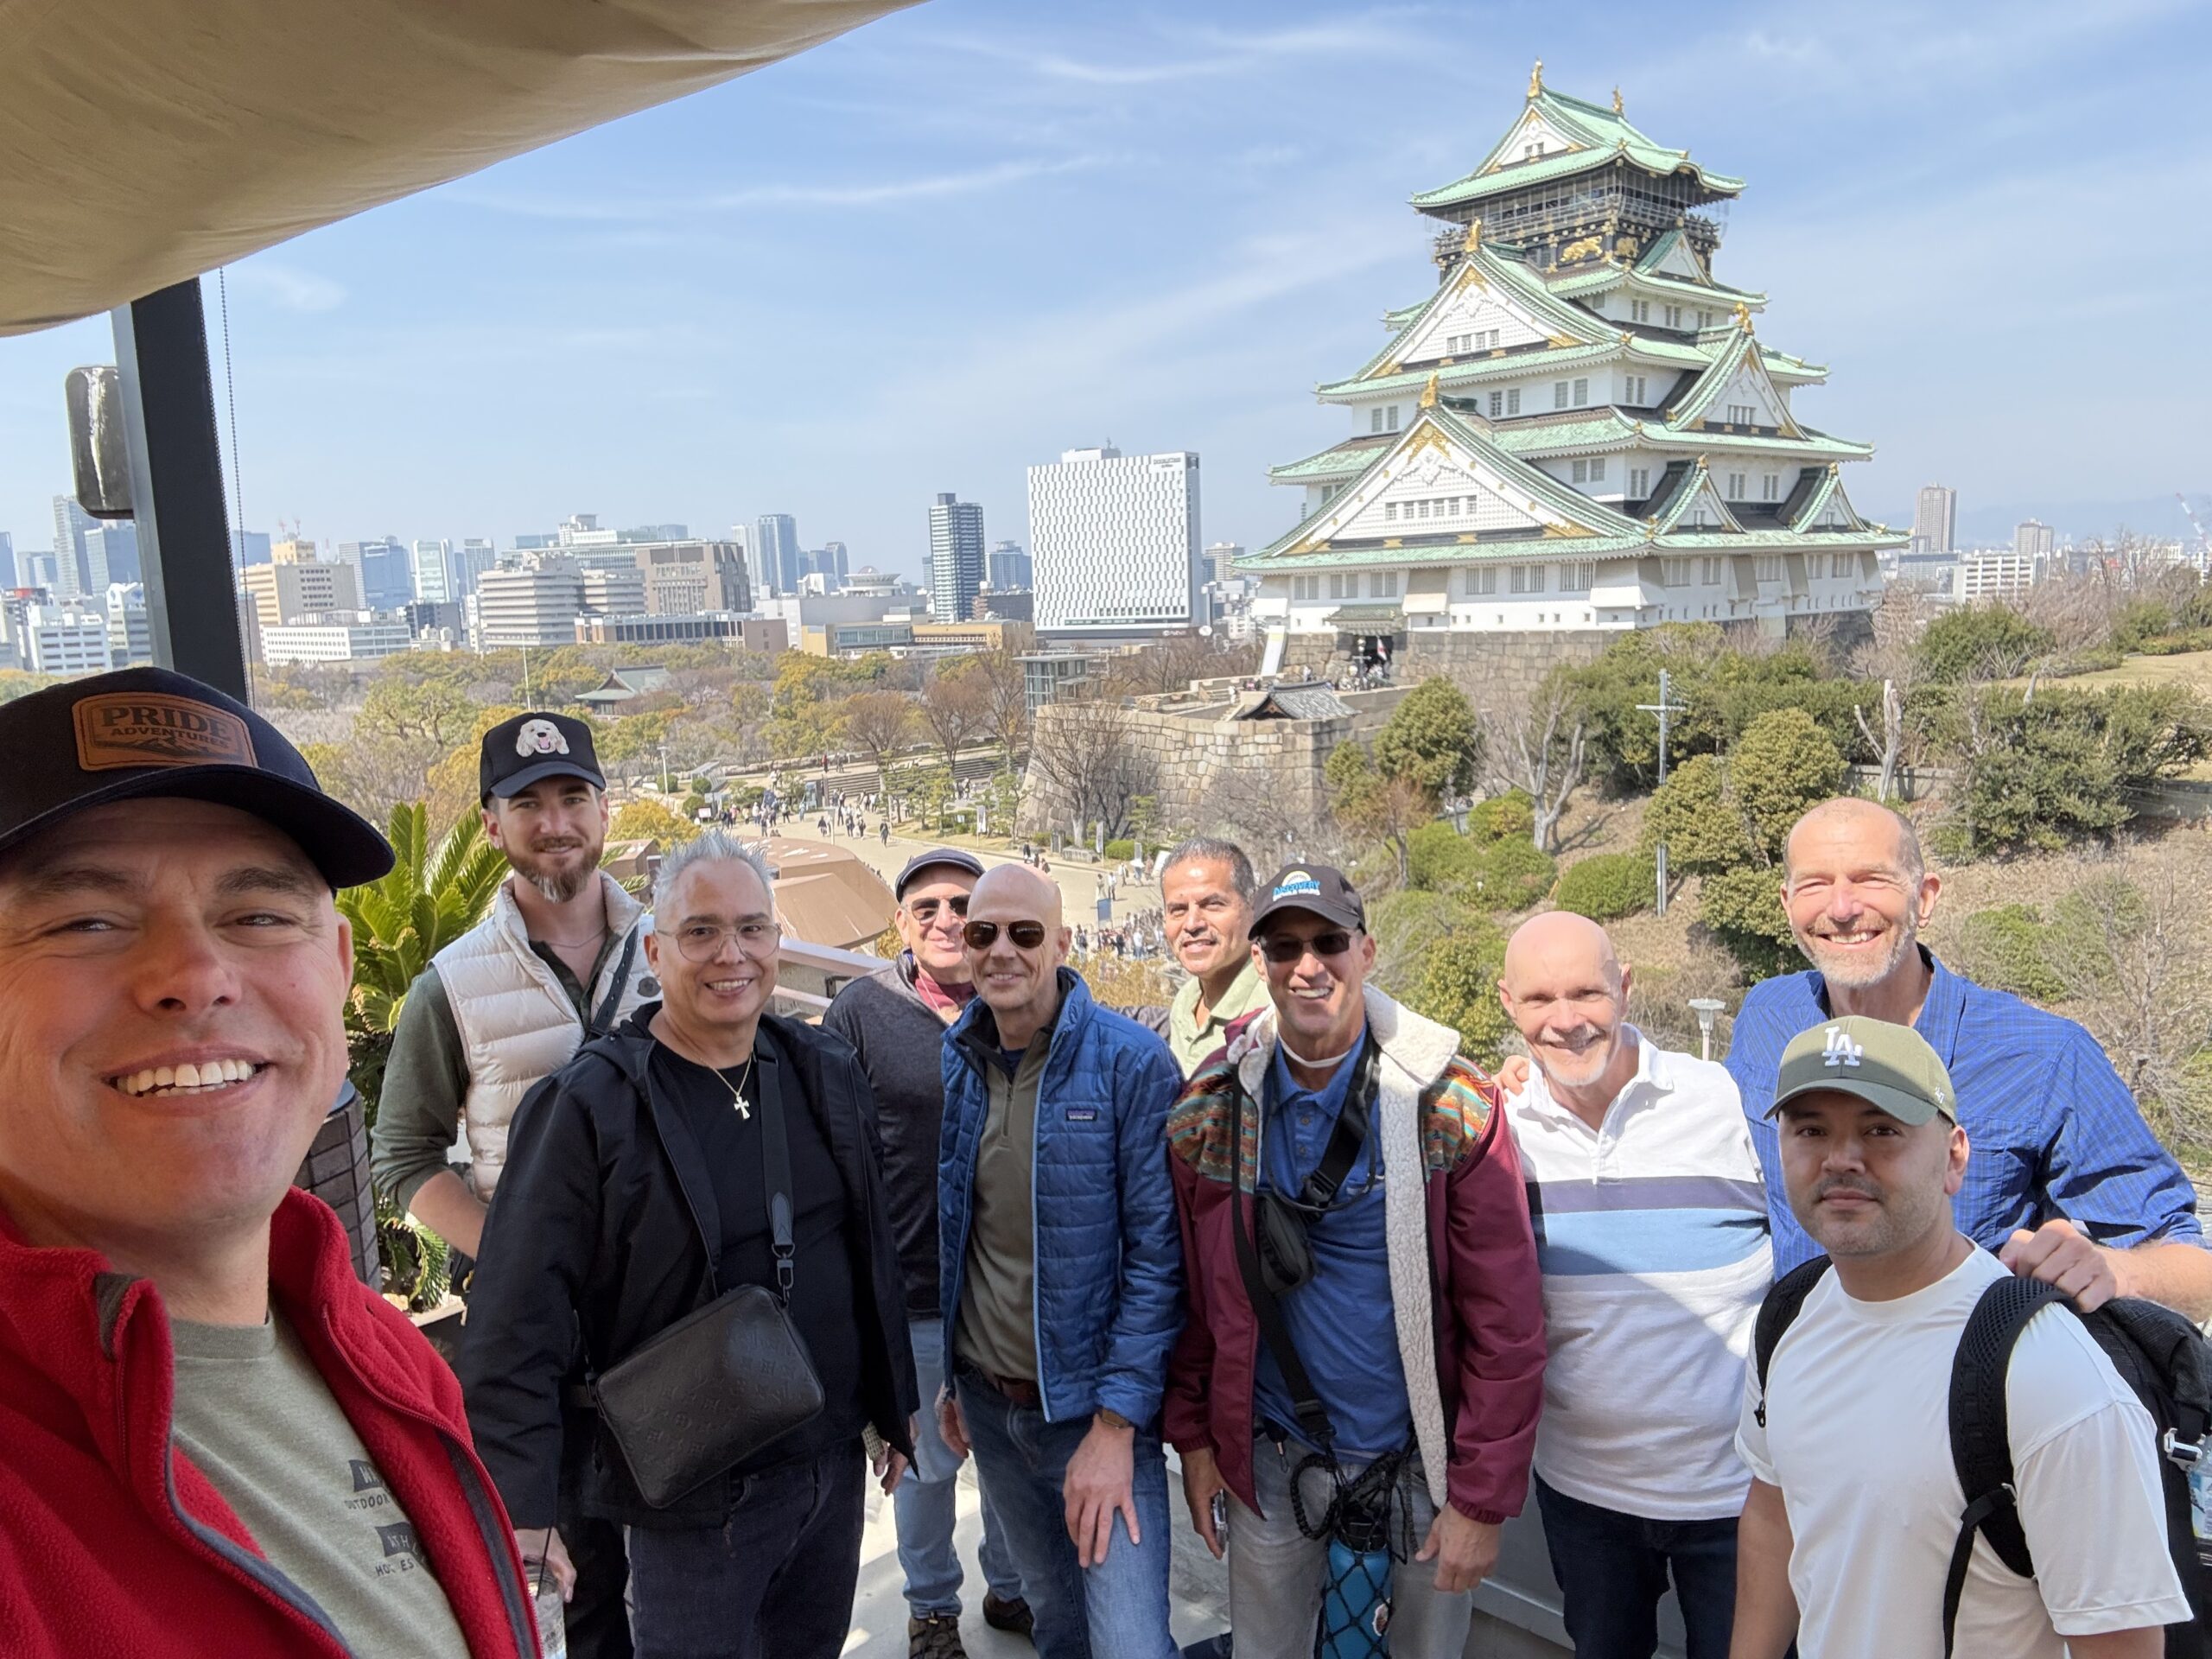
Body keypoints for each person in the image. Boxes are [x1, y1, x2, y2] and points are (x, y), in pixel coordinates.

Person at [0, 667, 537, 1656]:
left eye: (257, 916)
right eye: (84, 921)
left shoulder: (386, 1361)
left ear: (336, 969)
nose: (196, 977)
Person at [461, 835, 917, 1659]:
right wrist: (522, 1508)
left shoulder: (821, 1066)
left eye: (751, 929)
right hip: (691, 1490)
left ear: (777, 940)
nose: (730, 955)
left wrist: (893, 1406)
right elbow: (512, 1315)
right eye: (701, 931)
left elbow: (866, 1250)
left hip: (827, 1461)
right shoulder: (587, 1107)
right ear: (654, 947)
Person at [1165, 863, 1546, 1659]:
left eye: (1328, 943)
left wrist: (1480, 1501)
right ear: (1260, 964)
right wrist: (1198, 1444)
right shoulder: (1213, 1108)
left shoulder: (1451, 1104)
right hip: (1275, 1456)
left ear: (1366, 951)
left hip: (1420, 1461)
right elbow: (1198, 1300)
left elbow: (1505, 1321)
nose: (1308, 967)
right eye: (1285, 948)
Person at [1733, 1015, 2190, 1659]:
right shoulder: (1789, 1314)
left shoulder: (2048, 1376)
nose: (1840, 1158)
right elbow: (1774, 1514)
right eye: (1811, 1130)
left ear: (1954, 1158)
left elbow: (2121, 1644)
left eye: (1881, 1129)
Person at [370, 710, 655, 1658]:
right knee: (581, 1589)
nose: (554, 821)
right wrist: (522, 1256)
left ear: (604, 810)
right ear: (490, 826)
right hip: (543, 1351)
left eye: (572, 797)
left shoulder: (678, 952)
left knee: (692, 1565)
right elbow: (404, 1159)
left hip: (674, 1315)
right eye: (526, 803)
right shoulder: (448, 986)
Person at [1726, 798, 2212, 1316]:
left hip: (1961, 1384)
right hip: (1794, 1375)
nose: (1842, 908)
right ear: (1787, 904)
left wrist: (2115, 1270)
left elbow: (2195, 1267)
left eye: (1871, 879)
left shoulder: (2044, 1056)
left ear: (1925, 899)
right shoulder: (1767, 1017)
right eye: (1815, 884)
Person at [1497, 912, 1767, 1659]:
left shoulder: (1720, 1101)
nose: (1567, 1021)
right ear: (1506, 1005)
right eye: (1541, 999)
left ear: (1626, 987)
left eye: (1587, 993)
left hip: (1736, 1498)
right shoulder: (1500, 1129)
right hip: (1584, 1499)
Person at [937, 864, 1185, 1659]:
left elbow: (1159, 1261)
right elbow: (962, 1233)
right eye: (984, 934)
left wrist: (1115, 1427)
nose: (1001, 951)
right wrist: (953, 1374)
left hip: (1092, 1416)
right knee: (1059, 1630)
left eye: (1025, 933)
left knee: (1130, 1643)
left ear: (1064, 944)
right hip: (990, 1407)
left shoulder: (1132, 1065)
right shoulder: (959, 1055)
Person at [823, 849, 1033, 1656]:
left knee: (1015, 1449)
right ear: (902, 923)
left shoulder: (1019, 1001)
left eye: (964, 907)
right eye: (928, 908)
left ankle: (1011, 1588)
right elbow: (834, 1146)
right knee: (926, 1462)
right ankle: (933, 1606)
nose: (947, 922)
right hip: (909, 1277)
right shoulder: (862, 1012)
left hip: (1009, 1281)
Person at [1159, 839, 1269, 1077]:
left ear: (1253, 908)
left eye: (1213, 905)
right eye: (1178, 909)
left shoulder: (1277, 1009)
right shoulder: (1186, 1000)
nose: (1192, 924)